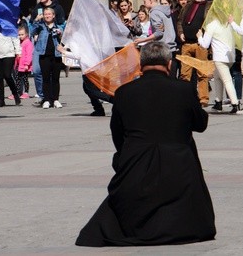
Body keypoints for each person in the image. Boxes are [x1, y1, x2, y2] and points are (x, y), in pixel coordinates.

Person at [75, 41, 216, 246]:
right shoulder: (184, 90)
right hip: (178, 167)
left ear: (141, 65)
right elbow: (200, 124)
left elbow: (118, 134)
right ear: (169, 64)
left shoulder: (124, 92)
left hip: (136, 166)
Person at [177, 0, 212, 107]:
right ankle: (186, 98)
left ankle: (203, 99)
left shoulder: (209, 6)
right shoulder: (188, 5)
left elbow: (212, 23)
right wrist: (180, 33)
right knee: (184, 74)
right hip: (186, 43)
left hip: (200, 44)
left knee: (202, 73)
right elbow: (180, 21)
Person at [30, 0, 66, 103]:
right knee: (36, 71)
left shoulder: (58, 7)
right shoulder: (37, 8)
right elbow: (31, 25)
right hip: (40, 44)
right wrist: (35, 23)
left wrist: (59, 30)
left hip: (54, 44)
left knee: (53, 75)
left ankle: (51, 97)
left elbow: (63, 23)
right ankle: (42, 95)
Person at [197, 19, 240, 113]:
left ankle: (235, 103)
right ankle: (218, 102)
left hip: (219, 57)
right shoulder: (227, 23)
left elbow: (205, 44)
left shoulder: (211, 25)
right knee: (217, 77)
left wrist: (200, 37)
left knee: (226, 80)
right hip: (230, 55)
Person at [136, 0, 177, 77]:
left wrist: (143, 40)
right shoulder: (165, 11)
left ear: (150, 1)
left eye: (144, 1)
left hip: (163, 49)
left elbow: (159, 32)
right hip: (171, 46)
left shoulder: (154, 12)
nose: (144, 3)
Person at [0, 31, 21, 108]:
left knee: (7, 75)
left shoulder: (7, 25)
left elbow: (15, 38)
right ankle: (1, 100)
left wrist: (18, 51)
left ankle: (15, 94)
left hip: (8, 54)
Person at [14, 26, 33, 99]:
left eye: (22, 34)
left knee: (25, 79)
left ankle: (26, 92)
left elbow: (29, 55)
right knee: (17, 79)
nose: (20, 36)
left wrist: (26, 64)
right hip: (19, 65)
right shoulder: (19, 43)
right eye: (19, 35)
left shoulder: (28, 43)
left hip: (25, 65)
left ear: (26, 34)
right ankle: (18, 92)